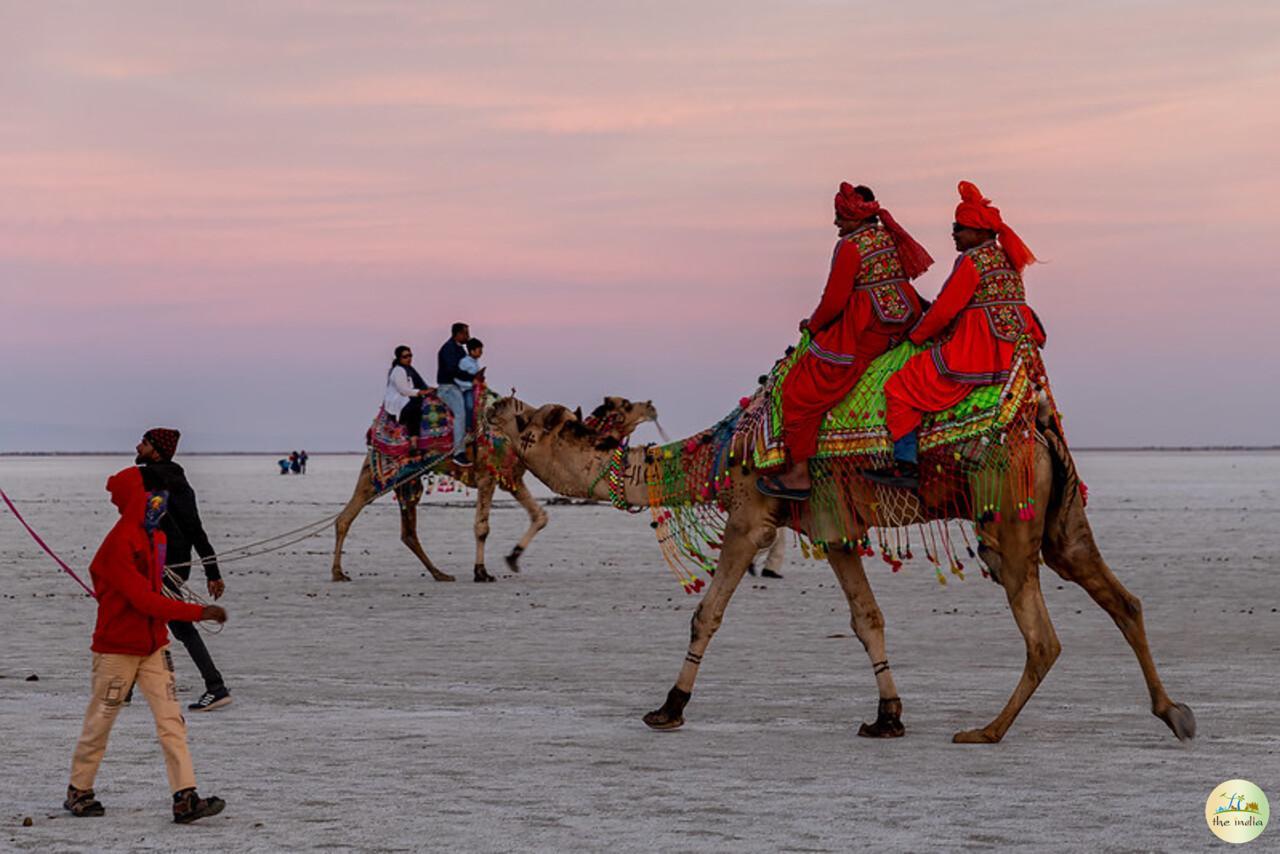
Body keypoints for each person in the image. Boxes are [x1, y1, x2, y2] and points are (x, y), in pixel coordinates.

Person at [64, 465, 227, 824]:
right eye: (154, 494)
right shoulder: (119, 544)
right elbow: (145, 600)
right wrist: (201, 611)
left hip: (154, 647)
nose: (161, 502)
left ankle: (185, 797)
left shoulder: (157, 539)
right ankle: (79, 789)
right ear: (137, 498)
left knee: (172, 721)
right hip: (116, 651)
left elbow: (155, 594)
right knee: (101, 720)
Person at [757, 183, 933, 500]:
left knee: (799, 388)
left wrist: (812, 325)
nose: (837, 224)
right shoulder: (886, 237)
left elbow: (834, 300)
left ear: (854, 216)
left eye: (840, 217)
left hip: (870, 329)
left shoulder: (850, 246)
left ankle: (798, 474)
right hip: (902, 320)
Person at [868, 181, 1045, 489]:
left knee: (899, 385)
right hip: (1011, 351)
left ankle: (905, 462)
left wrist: (916, 337)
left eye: (959, 227)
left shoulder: (972, 261)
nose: (954, 233)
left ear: (978, 231)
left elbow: (944, 311)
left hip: (977, 352)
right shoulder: (1006, 260)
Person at [135, 428, 233, 712]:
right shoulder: (169, 478)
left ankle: (216, 686)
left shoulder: (162, 478)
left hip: (166, 565)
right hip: (166, 562)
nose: (138, 446)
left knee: (177, 624)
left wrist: (212, 571)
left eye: (144, 443)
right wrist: (211, 570)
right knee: (143, 619)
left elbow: (193, 527)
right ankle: (126, 688)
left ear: (156, 449)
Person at [437, 322, 484, 467]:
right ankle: (458, 452)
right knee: (461, 413)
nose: (468, 336)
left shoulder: (460, 350)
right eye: (466, 333)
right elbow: (453, 371)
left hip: (459, 387)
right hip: (448, 388)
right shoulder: (448, 349)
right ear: (458, 334)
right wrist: (472, 378)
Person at [384, 345, 433, 455]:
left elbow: (420, 385)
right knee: (415, 408)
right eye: (405, 356)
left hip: (410, 398)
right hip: (399, 403)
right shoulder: (398, 370)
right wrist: (420, 392)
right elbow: (403, 390)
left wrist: (430, 389)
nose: (409, 358)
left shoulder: (410, 370)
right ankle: (414, 443)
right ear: (399, 358)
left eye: (410, 355)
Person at [457, 338, 484, 432]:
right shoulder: (464, 362)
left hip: (476, 389)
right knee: (470, 406)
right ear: (472, 351)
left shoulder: (474, 362)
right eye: (479, 350)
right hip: (466, 390)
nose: (481, 353)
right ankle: (468, 429)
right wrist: (471, 383)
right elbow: (458, 379)